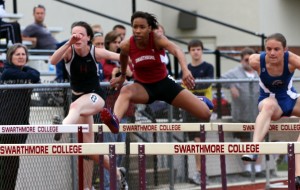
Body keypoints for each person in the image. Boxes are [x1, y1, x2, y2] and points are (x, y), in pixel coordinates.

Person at [100, 11, 213, 136]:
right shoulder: (127, 45)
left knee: (205, 114)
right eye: (135, 27)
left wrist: (185, 70)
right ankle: (115, 121)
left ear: (149, 28)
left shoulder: (157, 39)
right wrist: (122, 76)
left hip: (164, 85)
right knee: (126, 90)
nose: (137, 31)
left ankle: (198, 99)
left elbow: (177, 50)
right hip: (143, 87)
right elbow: (123, 56)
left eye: (142, 27)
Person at [49, 21, 127, 190]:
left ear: (89, 38)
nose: (77, 37)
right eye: (74, 34)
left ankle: (61, 127)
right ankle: (118, 173)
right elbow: (53, 60)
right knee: (89, 150)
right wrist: (68, 43)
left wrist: (129, 65)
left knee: (74, 107)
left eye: (81, 34)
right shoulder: (69, 51)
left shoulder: (95, 52)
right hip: (80, 102)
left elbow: (118, 56)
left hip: (95, 97)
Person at [238, 33, 300, 187]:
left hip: (289, 99)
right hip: (269, 102)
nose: (272, 53)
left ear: (285, 50)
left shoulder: (292, 59)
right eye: (269, 49)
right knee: (269, 104)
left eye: (277, 49)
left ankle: (299, 173)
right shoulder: (256, 61)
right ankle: (254, 148)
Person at [0, 43, 40, 190]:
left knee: (13, 164)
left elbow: (36, 75)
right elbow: (33, 75)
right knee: (5, 165)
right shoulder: (8, 72)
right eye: (17, 54)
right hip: (6, 124)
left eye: (23, 54)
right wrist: (28, 73)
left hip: (21, 123)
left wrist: (28, 72)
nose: (21, 57)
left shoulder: (23, 72)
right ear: (10, 57)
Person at [222, 47, 265, 177]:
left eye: (251, 59)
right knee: (245, 140)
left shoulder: (261, 71)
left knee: (259, 140)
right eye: (246, 59)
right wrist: (231, 85)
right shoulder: (235, 72)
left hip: (259, 114)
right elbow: (222, 79)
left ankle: (258, 169)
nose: (248, 62)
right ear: (241, 60)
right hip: (242, 114)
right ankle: (247, 168)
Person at [101, 30, 134, 190]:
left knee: (120, 150)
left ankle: (117, 181)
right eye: (115, 42)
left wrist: (129, 74)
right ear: (108, 44)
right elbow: (102, 87)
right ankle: (108, 186)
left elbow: (135, 82)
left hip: (126, 112)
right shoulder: (104, 63)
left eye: (120, 41)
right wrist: (112, 77)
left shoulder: (126, 61)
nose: (118, 44)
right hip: (110, 111)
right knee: (109, 150)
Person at [180, 39, 214, 185]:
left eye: (198, 49)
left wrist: (193, 84)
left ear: (202, 50)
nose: (196, 52)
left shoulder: (208, 67)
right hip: (189, 107)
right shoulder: (186, 68)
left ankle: (201, 171)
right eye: (193, 49)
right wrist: (192, 85)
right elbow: (184, 85)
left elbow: (207, 83)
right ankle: (199, 171)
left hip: (203, 107)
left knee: (200, 140)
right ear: (189, 52)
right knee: (195, 140)